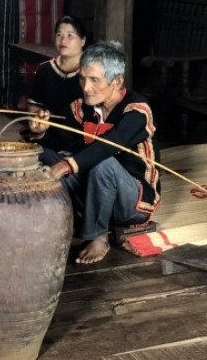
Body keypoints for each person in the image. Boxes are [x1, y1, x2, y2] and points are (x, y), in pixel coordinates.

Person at [29, 41, 160, 265]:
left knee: (103, 163)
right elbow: (59, 141)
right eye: (82, 78)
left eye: (94, 80)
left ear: (116, 81)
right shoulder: (82, 107)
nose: (86, 87)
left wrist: (67, 165)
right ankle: (68, 223)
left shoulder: (137, 110)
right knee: (44, 154)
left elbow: (109, 145)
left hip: (133, 202)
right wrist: (40, 132)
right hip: (93, 192)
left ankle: (98, 237)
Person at [27, 15, 87, 122]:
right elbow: (35, 106)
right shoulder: (44, 70)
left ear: (83, 40)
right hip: (50, 128)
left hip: (83, 130)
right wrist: (38, 121)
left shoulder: (91, 71)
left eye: (70, 35)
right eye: (59, 35)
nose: (63, 40)